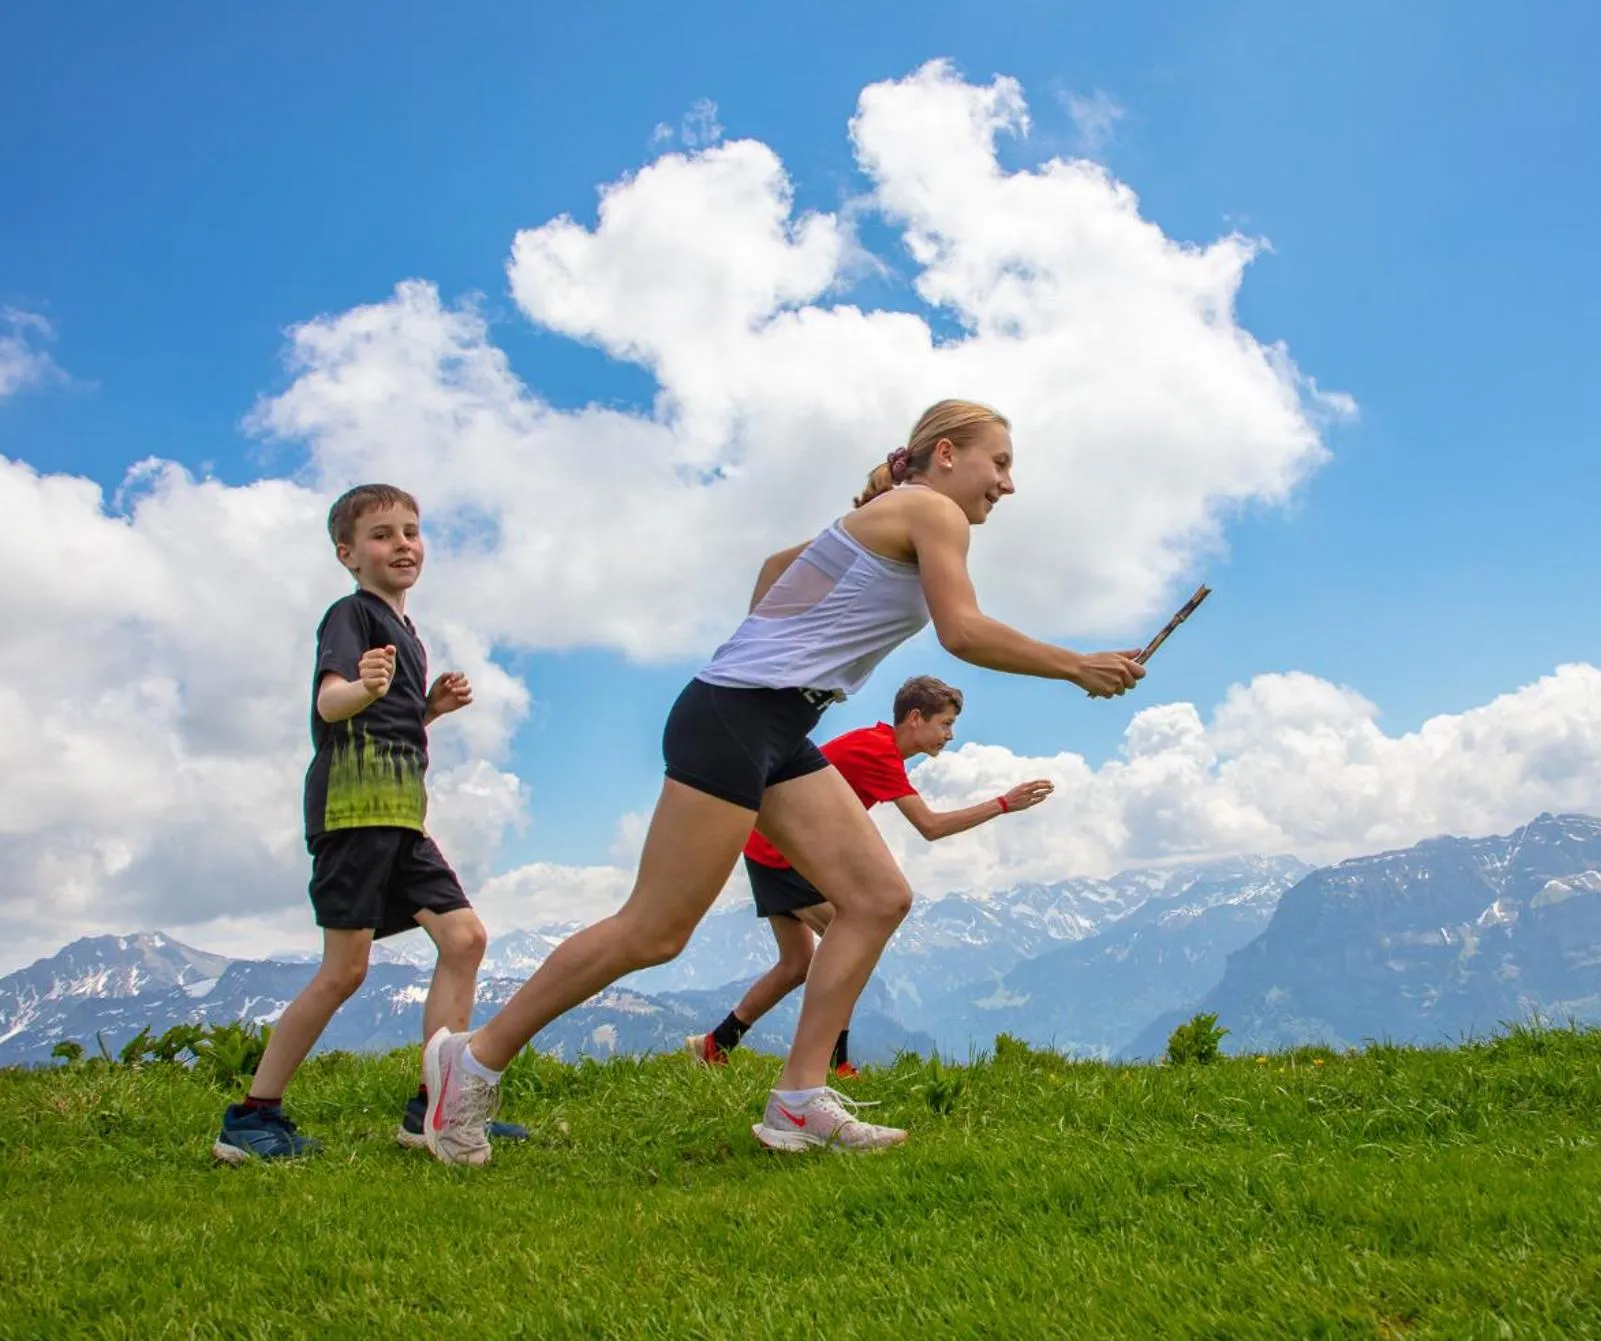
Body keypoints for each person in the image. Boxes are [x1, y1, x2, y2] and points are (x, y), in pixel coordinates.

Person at [421, 400, 1142, 1164]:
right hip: (735, 718)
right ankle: (470, 1062)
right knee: (655, 930)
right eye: (999, 462)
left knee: (875, 897)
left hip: (770, 723)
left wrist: (798, 617)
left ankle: (798, 1101)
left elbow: (772, 573)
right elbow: (960, 630)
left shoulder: (888, 513)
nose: (1008, 483)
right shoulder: (933, 511)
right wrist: (1075, 664)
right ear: (946, 455)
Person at [212, 484, 528, 1163]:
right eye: (383, 534)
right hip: (353, 816)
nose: (403, 543)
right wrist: (368, 687)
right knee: (344, 969)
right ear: (348, 554)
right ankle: (250, 1115)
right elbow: (332, 704)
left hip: (400, 819)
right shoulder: (350, 615)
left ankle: (435, 1105)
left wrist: (429, 707)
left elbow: (383, 719)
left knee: (465, 937)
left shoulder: (405, 634)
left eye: (412, 530)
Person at [692, 675, 1051, 1076]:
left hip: (770, 848)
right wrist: (1003, 803)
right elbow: (929, 826)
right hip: (782, 855)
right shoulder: (879, 752)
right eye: (945, 724)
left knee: (797, 964)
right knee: (854, 942)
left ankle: (717, 1043)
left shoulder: (876, 746)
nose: (950, 735)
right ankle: (833, 1059)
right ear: (916, 718)